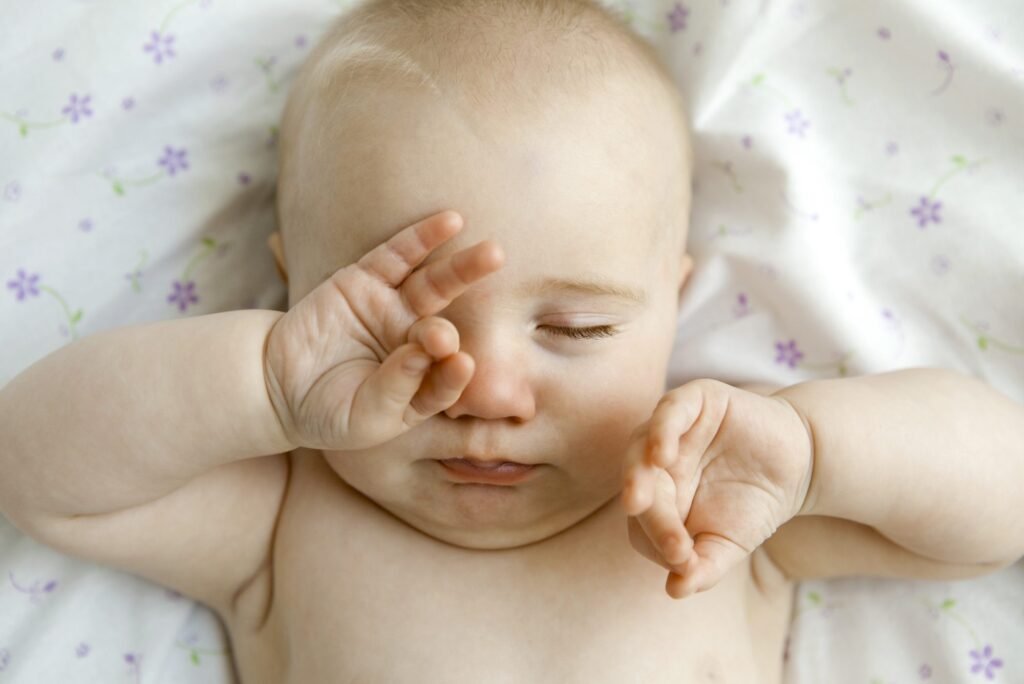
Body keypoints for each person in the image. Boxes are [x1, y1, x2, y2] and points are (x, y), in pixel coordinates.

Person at [2, 1, 1022, 681]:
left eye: (575, 327)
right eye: (407, 325)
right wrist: (262, 384)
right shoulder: (284, 522)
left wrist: (813, 456)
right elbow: (36, 470)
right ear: (292, 290)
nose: (486, 389)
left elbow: (1003, 504)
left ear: (672, 307)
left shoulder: (714, 517)